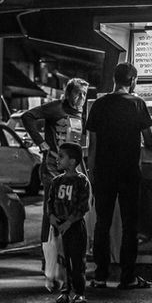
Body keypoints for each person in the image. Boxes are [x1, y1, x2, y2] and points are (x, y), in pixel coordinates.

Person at [86, 62, 152, 290]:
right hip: (128, 171)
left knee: (102, 224)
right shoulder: (137, 103)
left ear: (114, 80)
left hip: (104, 172)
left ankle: (100, 275)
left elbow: (93, 143)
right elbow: (149, 140)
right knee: (129, 224)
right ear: (133, 80)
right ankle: (128, 277)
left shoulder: (99, 104)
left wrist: (92, 171)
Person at [22, 78, 89, 243]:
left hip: (72, 169)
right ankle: (48, 251)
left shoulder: (82, 113)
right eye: (77, 92)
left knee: (71, 208)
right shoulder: (55, 107)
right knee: (52, 208)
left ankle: (63, 251)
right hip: (52, 167)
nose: (81, 97)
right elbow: (28, 116)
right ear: (67, 93)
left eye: (84, 94)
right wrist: (41, 143)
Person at [47, 142, 91, 303]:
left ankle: (79, 292)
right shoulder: (56, 181)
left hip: (75, 227)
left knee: (77, 260)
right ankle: (65, 291)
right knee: (62, 261)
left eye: (61, 157)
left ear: (72, 161)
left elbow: (83, 205)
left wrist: (70, 221)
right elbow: (50, 201)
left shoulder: (81, 181)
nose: (57, 160)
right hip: (59, 227)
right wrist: (51, 216)